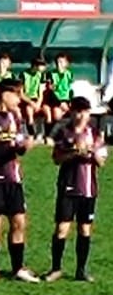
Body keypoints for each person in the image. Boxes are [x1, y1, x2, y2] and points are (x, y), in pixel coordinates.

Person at [0, 79, 40, 284]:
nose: (19, 99)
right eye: (16, 94)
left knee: (19, 221)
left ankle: (18, 268)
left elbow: (18, 144)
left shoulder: (16, 118)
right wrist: (12, 148)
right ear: (4, 95)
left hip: (14, 177)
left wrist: (23, 147)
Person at [48, 96, 106, 282]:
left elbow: (102, 162)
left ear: (89, 114)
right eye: (77, 111)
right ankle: (55, 268)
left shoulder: (96, 133)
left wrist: (92, 152)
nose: (81, 115)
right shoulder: (65, 133)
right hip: (68, 187)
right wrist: (74, 152)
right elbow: (56, 158)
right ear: (71, 112)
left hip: (89, 189)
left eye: (84, 111)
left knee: (85, 229)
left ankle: (81, 270)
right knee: (62, 229)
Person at [44, 54, 75, 132]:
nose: (59, 65)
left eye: (61, 62)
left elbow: (71, 90)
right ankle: (53, 134)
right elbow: (50, 91)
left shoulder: (69, 74)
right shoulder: (51, 74)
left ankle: (66, 133)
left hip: (67, 100)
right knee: (57, 115)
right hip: (55, 100)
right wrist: (60, 103)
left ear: (66, 64)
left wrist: (70, 102)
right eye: (57, 62)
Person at [19, 57, 48, 136]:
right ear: (35, 65)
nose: (44, 68)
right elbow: (21, 93)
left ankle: (47, 135)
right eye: (42, 65)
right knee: (29, 110)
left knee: (47, 111)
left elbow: (41, 92)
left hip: (37, 99)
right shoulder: (23, 74)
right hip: (26, 99)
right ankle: (32, 134)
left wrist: (38, 103)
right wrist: (31, 103)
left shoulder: (41, 75)